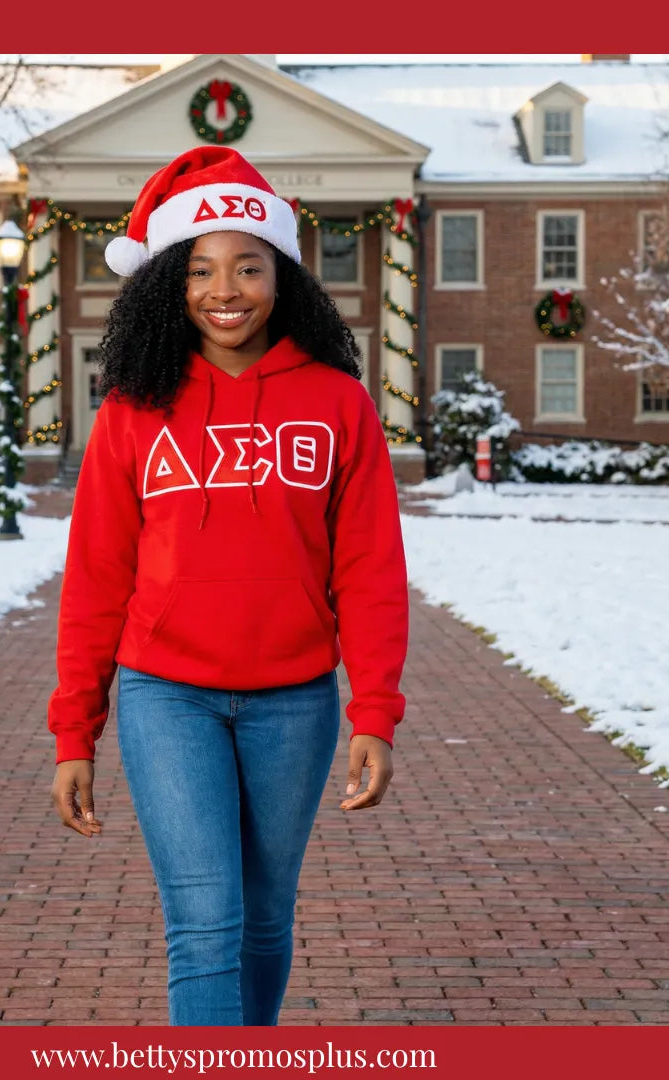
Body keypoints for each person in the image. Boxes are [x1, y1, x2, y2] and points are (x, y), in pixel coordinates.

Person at [48, 146, 409, 1026]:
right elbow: (97, 575)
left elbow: (368, 569)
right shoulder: (136, 409)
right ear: (169, 282)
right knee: (206, 925)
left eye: (248, 265)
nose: (226, 288)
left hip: (295, 701)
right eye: (201, 268)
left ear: (282, 276)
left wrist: (375, 712)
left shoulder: (337, 403)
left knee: (263, 921)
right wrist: (74, 730)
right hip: (166, 695)